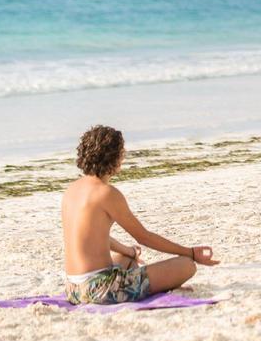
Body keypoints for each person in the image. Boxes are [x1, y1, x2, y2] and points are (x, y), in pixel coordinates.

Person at [62, 125, 219, 305]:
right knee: (186, 265)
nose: (124, 155)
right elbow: (144, 237)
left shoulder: (72, 190)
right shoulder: (106, 193)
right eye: (122, 151)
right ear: (114, 156)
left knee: (127, 259)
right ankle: (155, 285)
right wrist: (190, 252)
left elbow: (90, 236)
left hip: (73, 289)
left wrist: (128, 251)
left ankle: (146, 283)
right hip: (99, 290)